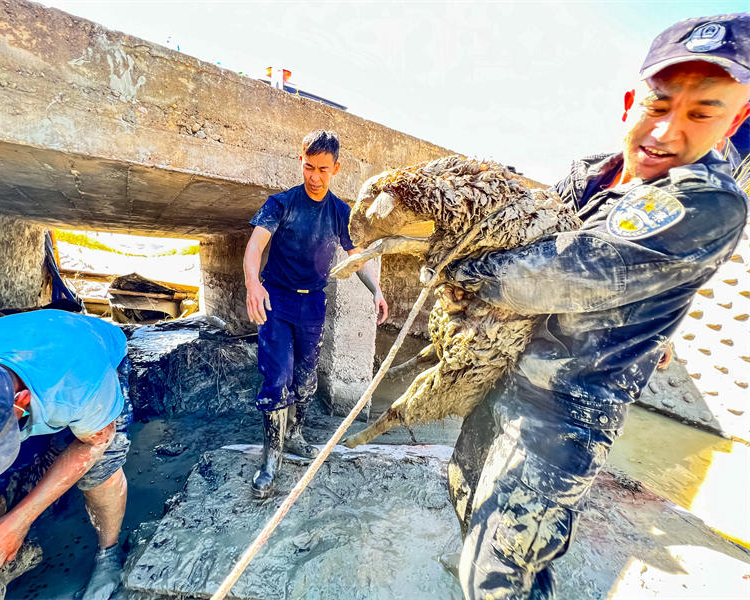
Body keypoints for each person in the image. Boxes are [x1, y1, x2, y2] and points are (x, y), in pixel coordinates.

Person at [442, 13, 750, 599]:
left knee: (499, 573)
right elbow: (522, 229)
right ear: (632, 101)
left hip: (564, 414)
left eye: (701, 112)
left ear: (735, 120)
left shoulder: (708, 204)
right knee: (467, 496)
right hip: (504, 380)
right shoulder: (591, 173)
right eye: (659, 105)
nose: (667, 131)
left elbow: (550, 275)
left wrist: (458, 269)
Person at [243, 129, 388, 498]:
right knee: (277, 378)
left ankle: (295, 436)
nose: (314, 176)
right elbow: (255, 245)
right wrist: (252, 285)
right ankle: (270, 459)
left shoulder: (341, 212)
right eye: (309, 167)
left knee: (306, 379)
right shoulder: (281, 203)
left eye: (323, 169)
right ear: (301, 161)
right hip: (277, 299)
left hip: (313, 303)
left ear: (336, 168)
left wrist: (376, 291)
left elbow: (356, 257)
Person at [0, 310, 132, 600]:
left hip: (85, 346)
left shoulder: (77, 386)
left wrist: (19, 521)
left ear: (20, 403)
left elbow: (95, 444)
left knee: (100, 471)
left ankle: (107, 555)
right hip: (15, 347)